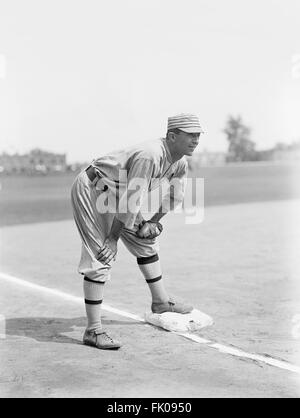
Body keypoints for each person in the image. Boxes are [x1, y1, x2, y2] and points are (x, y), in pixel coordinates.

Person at [71, 113, 204, 350]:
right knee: (100, 255)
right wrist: (112, 238)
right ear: (172, 136)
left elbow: (176, 195)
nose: (196, 140)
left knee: (146, 241)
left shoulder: (180, 162)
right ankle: (93, 330)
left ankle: (161, 302)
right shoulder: (150, 155)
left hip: (118, 195)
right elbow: (132, 200)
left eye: (198, 135)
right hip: (93, 189)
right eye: (190, 135)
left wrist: (152, 222)